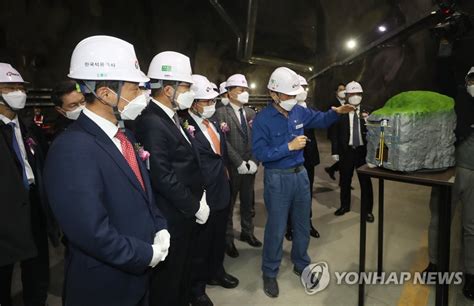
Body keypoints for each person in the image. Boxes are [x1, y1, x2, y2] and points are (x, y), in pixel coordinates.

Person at [44, 35, 169, 306]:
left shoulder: (122, 136)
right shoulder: (72, 148)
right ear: (104, 93)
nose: (143, 95)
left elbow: (142, 192)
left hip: (136, 279)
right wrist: (145, 254)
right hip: (106, 286)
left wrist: (159, 226)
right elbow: (91, 232)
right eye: (135, 89)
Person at [252, 67, 355, 298]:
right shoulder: (262, 120)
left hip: (300, 176)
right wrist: (287, 147)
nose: (291, 99)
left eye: (293, 94)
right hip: (277, 178)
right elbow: (259, 152)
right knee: (277, 228)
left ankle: (301, 262)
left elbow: (321, 119)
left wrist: (336, 111)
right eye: (287, 95)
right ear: (274, 94)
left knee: (301, 223)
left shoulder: (299, 112)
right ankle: (269, 271)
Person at [135, 51, 209, 306]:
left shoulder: (172, 116)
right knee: (168, 280)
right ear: (169, 89)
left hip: (184, 212)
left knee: (182, 273)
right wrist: (194, 205)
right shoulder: (153, 121)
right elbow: (162, 175)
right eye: (187, 86)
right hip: (173, 214)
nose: (191, 92)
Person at [0, 62, 60, 306]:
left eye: (21, 87)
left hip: (33, 203)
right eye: (9, 87)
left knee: (37, 268)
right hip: (4, 211)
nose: (19, 92)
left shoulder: (28, 127)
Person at [182, 74, 239, 306]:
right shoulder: (185, 125)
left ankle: (216, 272)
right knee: (200, 244)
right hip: (203, 193)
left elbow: (220, 154)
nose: (210, 105)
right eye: (205, 101)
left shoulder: (214, 122)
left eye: (212, 100)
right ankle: (196, 288)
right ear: (193, 102)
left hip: (221, 188)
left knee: (217, 238)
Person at [426, 66, 474, 300]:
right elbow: (442, 76)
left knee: (471, 226)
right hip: (449, 171)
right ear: (466, 81)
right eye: (473, 79)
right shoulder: (454, 102)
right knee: (438, 220)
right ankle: (434, 264)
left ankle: (472, 275)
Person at [214, 73, 262, 258]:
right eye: (241, 90)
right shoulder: (221, 113)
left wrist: (253, 161)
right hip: (232, 168)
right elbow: (223, 141)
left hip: (250, 166)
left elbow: (258, 138)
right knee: (229, 204)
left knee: (248, 203)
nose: (245, 93)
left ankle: (247, 232)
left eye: (246, 90)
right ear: (230, 93)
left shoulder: (250, 113)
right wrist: (239, 162)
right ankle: (228, 241)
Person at [330, 81, 374, 222]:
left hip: (363, 152)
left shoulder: (368, 111)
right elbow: (335, 134)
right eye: (352, 94)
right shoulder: (341, 111)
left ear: (361, 95)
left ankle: (368, 211)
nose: (355, 97)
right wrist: (335, 151)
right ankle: (344, 206)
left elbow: (375, 132)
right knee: (345, 181)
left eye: (358, 94)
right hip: (346, 151)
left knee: (365, 183)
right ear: (347, 95)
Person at [285, 75, 320, 241]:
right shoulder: (287, 110)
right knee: (291, 193)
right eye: (300, 87)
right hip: (292, 157)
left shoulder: (310, 108)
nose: (303, 91)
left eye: (305, 87)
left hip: (309, 158)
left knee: (307, 192)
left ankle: (307, 222)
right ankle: (289, 226)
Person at [325, 83, 346, 180]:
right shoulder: (332, 103)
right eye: (340, 89)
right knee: (343, 158)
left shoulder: (347, 102)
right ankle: (343, 181)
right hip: (336, 133)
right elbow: (331, 123)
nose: (343, 91)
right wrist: (334, 150)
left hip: (345, 133)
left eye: (344, 89)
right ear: (336, 92)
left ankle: (332, 170)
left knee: (345, 158)